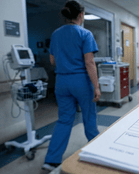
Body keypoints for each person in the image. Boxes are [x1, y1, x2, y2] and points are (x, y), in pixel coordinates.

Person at [42, 0, 101, 171]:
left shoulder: (56, 34)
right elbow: (89, 63)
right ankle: (97, 154)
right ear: (81, 15)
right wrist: (96, 86)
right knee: (89, 118)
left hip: (61, 82)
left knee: (64, 120)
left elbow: (52, 60)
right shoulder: (85, 34)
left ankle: (51, 160)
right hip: (81, 81)